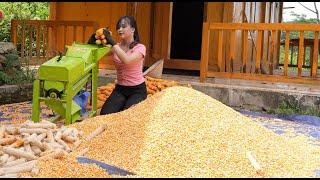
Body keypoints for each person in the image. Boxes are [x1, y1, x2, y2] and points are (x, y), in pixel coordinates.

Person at [88, 16, 147, 115]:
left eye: (123, 26)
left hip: (137, 90)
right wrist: (92, 41)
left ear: (133, 29)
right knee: (105, 114)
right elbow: (96, 54)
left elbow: (127, 60)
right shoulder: (116, 47)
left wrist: (112, 42)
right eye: (118, 27)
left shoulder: (140, 48)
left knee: (126, 116)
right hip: (120, 89)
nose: (120, 29)